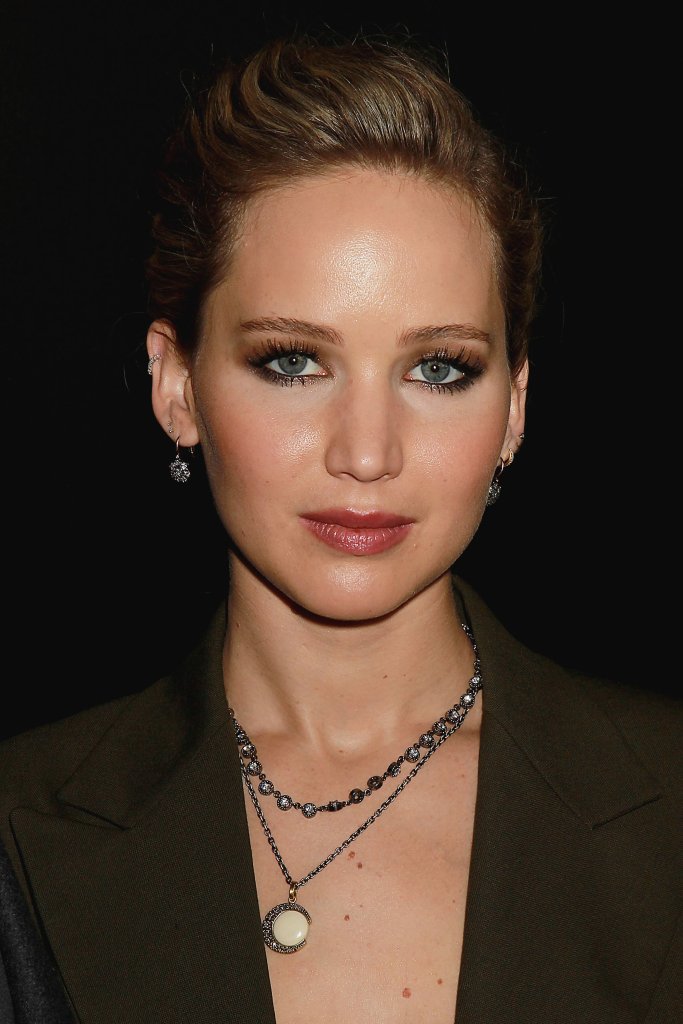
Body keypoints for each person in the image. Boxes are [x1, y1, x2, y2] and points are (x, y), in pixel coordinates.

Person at [0, 31, 680, 1024]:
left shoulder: (664, 804)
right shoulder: (18, 832)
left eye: (438, 369)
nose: (366, 453)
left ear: (514, 407)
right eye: (292, 361)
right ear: (176, 385)